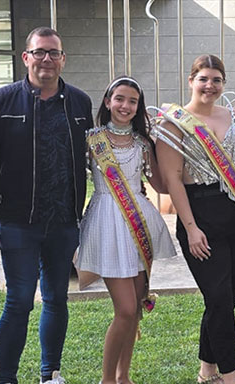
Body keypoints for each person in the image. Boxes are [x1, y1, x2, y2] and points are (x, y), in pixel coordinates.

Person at [0, 27, 93, 384]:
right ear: (26, 57)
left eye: (53, 53)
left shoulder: (80, 103)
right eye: (39, 52)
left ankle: (50, 374)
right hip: (17, 222)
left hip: (63, 222)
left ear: (62, 59)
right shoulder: (1, 102)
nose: (46, 59)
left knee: (57, 299)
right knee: (20, 300)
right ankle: (5, 378)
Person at [155, 54, 235, 384]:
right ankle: (231, 377)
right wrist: (191, 228)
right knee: (217, 296)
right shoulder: (173, 122)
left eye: (216, 80)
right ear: (191, 81)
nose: (210, 86)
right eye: (203, 79)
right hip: (199, 214)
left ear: (223, 83)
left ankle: (207, 371)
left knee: (226, 298)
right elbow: (172, 180)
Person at [74, 76, 176, 384]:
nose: (125, 106)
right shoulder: (92, 139)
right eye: (119, 99)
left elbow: (159, 184)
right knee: (127, 309)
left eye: (132, 101)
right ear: (107, 102)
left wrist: (164, 145)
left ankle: (124, 377)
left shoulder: (144, 143)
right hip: (106, 222)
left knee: (136, 309)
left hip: (138, 223)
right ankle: (107, 379)